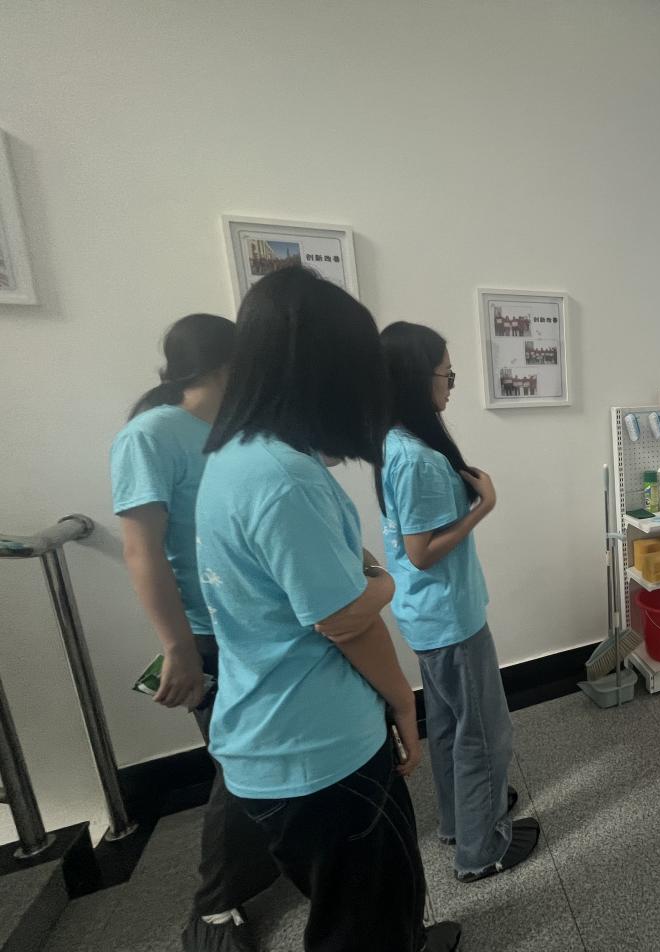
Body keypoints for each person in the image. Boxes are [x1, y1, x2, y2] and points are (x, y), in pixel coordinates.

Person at [195, 269, 461, 952]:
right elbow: (344, 618)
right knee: (363, 922)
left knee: (370, 902)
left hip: (275, 729)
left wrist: (363, 573)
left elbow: (323, 579)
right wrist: (402, 695)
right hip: (320, 747)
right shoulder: (286, 478)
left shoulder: (232, 456)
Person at [111, 313, 279, 952]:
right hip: (209, 633)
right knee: (239, 765)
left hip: (262, 621)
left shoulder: (234, 430)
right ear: (226, 365)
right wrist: (179, 646)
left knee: (265, 754)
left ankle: (273, 863)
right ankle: (213, 909)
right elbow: (141, 551)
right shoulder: (151, 435)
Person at [377, 321, 540, 884]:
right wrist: (483, 507)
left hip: (427, 616)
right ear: (415, 379)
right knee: (484, 736)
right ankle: (482, 849)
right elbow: (422, 552)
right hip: (449, 619)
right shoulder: (418, 457)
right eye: (446, 374)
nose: (451, 384)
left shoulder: (394, 442)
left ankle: (458, 822)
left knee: (449, 727)